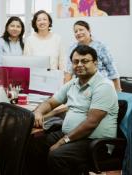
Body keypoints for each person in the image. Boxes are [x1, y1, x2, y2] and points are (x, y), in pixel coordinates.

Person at [26, 45, 118, 175]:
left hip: (95, 143)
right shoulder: (74, 83)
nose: (79, 64)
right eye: (76, 62)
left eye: (85, 61)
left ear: (95, 63)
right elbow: (51, 102)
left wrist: (62, 141)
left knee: (58, 155)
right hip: (73, 136)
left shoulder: (103, 86)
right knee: (33, 145)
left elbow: (91, 123)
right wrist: (38, 112)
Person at [65, 20, 121, 91]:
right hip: (81, 87)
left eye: (81, 30)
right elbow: (69, 71)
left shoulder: (100, 46)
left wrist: (118, 90)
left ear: (89, 30)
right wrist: (64, 91)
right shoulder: (72, 48)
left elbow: (112, 69)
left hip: (101, 86)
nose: (78, 33)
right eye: (76, 31)